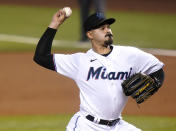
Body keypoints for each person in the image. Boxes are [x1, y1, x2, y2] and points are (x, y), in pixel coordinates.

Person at [33, 8, 165, 131]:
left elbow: (157, 68)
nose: (107, 30)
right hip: (87, 126)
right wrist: (55, 24)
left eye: (108, 27)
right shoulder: (80, 61)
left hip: (117, 125)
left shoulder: (130, 54)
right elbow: (41, 57)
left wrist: (155, 81)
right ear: (90, 34)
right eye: (102, 28)